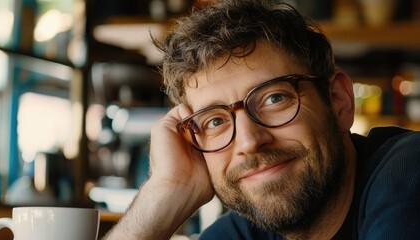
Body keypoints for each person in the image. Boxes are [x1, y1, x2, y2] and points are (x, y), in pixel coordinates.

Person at [104, 1, 420, 239]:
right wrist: (165, 191)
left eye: (274, 99)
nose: (250, 142)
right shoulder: (245, 231)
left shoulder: (408, 171)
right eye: (215, 121)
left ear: (338, 101)